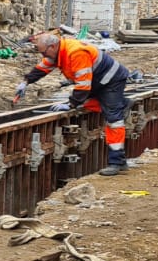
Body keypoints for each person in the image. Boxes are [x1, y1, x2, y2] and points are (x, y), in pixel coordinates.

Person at [16, 31, 131, 175]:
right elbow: (43, 68)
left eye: (43, 53)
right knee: (85, 103)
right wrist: (25, 82)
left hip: (111, 81)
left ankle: (117, 162)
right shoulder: (59, 51)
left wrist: (70, 105)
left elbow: (83, 86)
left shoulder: (76, 53)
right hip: (96, 81)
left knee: (114, 119)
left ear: (52, 46)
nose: (43, 56)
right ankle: (122, 103)